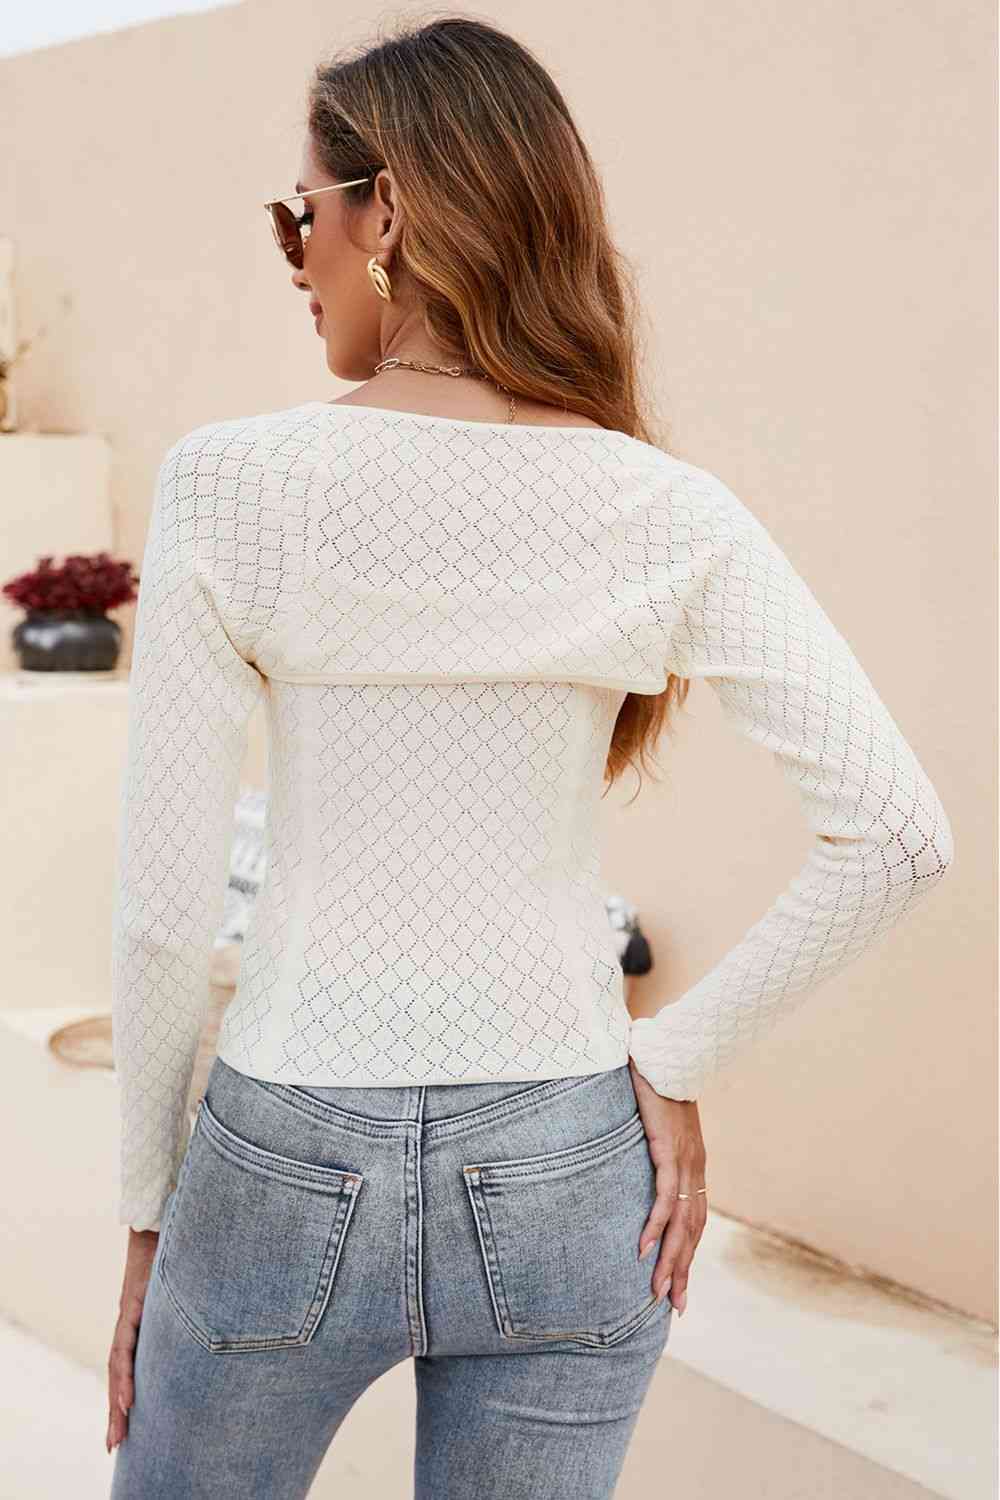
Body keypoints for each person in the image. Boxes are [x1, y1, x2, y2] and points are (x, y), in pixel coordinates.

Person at [105, 16, 954, 1497]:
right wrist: (675, 1058)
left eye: (301, 213)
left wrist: (146, 1219)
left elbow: (167, 914)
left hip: (285, 1153)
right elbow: (897, 833)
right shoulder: (664, 508)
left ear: (386, 213)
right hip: (570, 1159)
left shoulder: (233, 484)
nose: (295, 257)